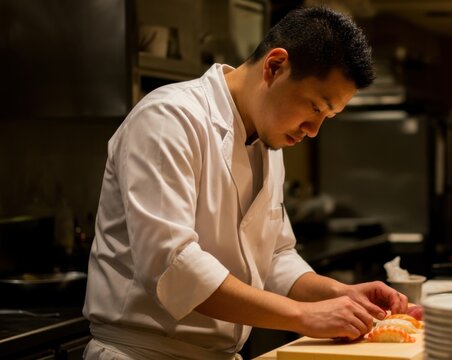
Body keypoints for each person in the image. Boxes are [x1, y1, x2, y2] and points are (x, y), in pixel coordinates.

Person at [82, 7, 408, 360]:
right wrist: (303, 316)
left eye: (327, 117)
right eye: (315, 108)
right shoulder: (168, 118)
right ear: (274, 66)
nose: (313, 131)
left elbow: (275, 258)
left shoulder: (268, 139)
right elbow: (172, 265)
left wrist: (338, 295)